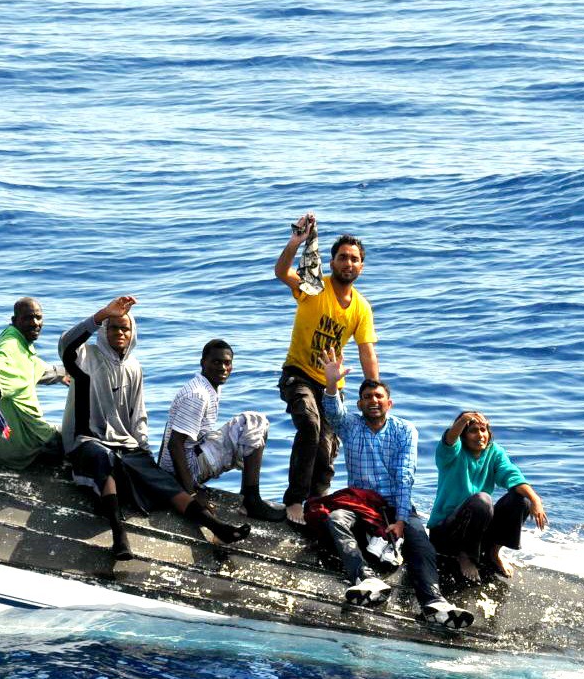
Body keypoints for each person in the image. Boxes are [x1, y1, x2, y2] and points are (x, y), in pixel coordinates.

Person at [60, 295, 248, 561]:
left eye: (125, 328)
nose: (119, 333)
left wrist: (143, 449)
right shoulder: (85, 357)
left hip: (125, 445)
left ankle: (217, 527)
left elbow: (139, 416)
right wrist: (101, 315)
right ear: (104, 331)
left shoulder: (134, 367)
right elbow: (65, 344)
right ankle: (119, 536)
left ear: (132, 332)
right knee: (103, 460)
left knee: (162, 481)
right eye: (113, 327)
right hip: (87, 441)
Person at [308, 347, 472, 629]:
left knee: (420, 540)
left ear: (389, 403)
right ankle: (364, 578)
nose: (373, 401)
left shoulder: (405, 430)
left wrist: (400, 520)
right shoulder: (351, 425)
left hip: (396, 504)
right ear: (359, 404)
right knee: (336, 519)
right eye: (367, 397)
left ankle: (434, 603)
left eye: (379, 397)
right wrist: (332, 383)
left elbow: (404, 475)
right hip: (359, 505)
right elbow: (332, 412)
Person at [273, 214, 379, 525]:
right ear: (331, 262)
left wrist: (374, 391)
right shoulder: (314, 287)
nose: (349, 263)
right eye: (343, 257)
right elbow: (281, 272)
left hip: (332, 384)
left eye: (355, 259)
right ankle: (293, 500)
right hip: (298, 373)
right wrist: (295, 243)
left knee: (327, 447)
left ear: (361, 267)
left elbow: (366, 351)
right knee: (309, 423)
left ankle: (315, 504)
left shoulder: (361, 307)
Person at [160, 339, 286, 522]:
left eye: (227, 363)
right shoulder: (198, 395)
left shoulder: (206, 386)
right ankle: (251, 500)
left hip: (189, 458)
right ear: (203, 362)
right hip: (181, 470)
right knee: (254, 422)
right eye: (216, 362)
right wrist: (191, 494)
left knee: (250, 424)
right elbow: (174, 445)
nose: (223, 368)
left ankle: (249, 496)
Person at [427, 410, 548, 585]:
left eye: (483, 430)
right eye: (473, 430)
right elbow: (449, 440)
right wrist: (463, 420)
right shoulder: (451, 454)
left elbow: (511, 475)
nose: (480, 435)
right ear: (463, 435)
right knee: (483, 500)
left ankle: (493, 552)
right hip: (446, 533)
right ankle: (465, 556)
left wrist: (536, 500)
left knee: (522, 500)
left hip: (476, 531)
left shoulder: (494, 452)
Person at [0, 297, 68, 469]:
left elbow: (37, 368)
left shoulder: (17, 341)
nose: (35, 323)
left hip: (4, 446)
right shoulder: (11, 347)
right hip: (28, 446)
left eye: (38, 317)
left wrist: (65, 373)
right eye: (28, 318)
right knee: (80, 436)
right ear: (15, 320)